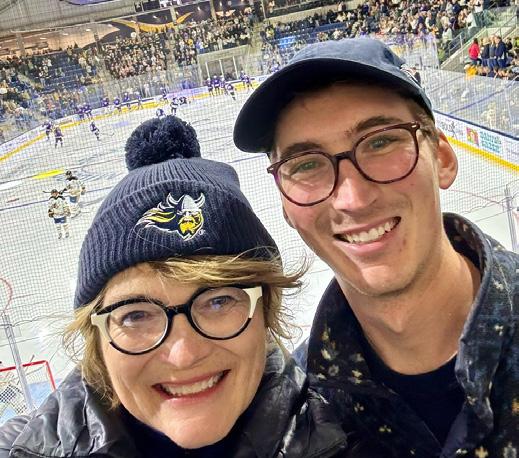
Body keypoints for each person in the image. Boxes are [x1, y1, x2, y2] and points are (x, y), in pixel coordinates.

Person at [0, 116, 355, 457]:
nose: (184, 355)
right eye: (135, 315)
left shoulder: (355, 438)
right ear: (98, 340)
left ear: (266, 311)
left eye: (218, 301)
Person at [234, 38, 519, 457]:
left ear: (442, 158)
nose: (352, 199)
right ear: (286, 207)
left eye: (381, 142)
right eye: (306, 164)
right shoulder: (293, 422)